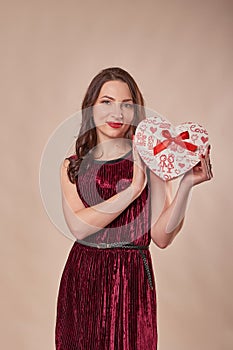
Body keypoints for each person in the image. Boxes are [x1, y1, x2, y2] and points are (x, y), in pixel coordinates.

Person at [55, 67, 213, 349]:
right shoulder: (73, 165)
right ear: (90, 108)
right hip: (83, 277)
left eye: (126, 104)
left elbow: (162, 237)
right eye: (107, 102)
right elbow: (79, 227)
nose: (117, 113)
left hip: (132, 280)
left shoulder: (151, 162)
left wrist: (186, 184)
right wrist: (131, 191)